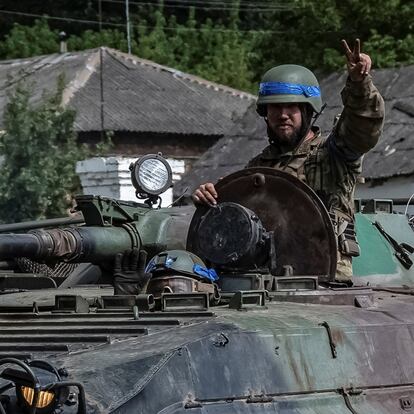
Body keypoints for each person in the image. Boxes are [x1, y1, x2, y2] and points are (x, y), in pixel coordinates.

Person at [192, 39, 385, 282]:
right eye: (274, 108)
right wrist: (210, 198)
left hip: (325, 281)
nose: (282, 115)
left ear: (308, 111)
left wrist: (359, 85)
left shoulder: (335, 154)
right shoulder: (257, 169)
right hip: (263, 282)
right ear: (265, 114)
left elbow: (363, 126)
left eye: (291, 107)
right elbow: (233, 227)